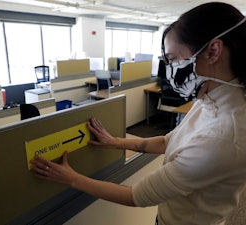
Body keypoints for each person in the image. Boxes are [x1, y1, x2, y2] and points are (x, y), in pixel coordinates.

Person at [30, 2, 246, 225]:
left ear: (212, 51)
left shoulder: (224, 137)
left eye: (172, 59)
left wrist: (71, 178)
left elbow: (135, 196)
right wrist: (115, 142)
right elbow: (167, 142)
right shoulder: (209, 98)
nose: (169, 69)